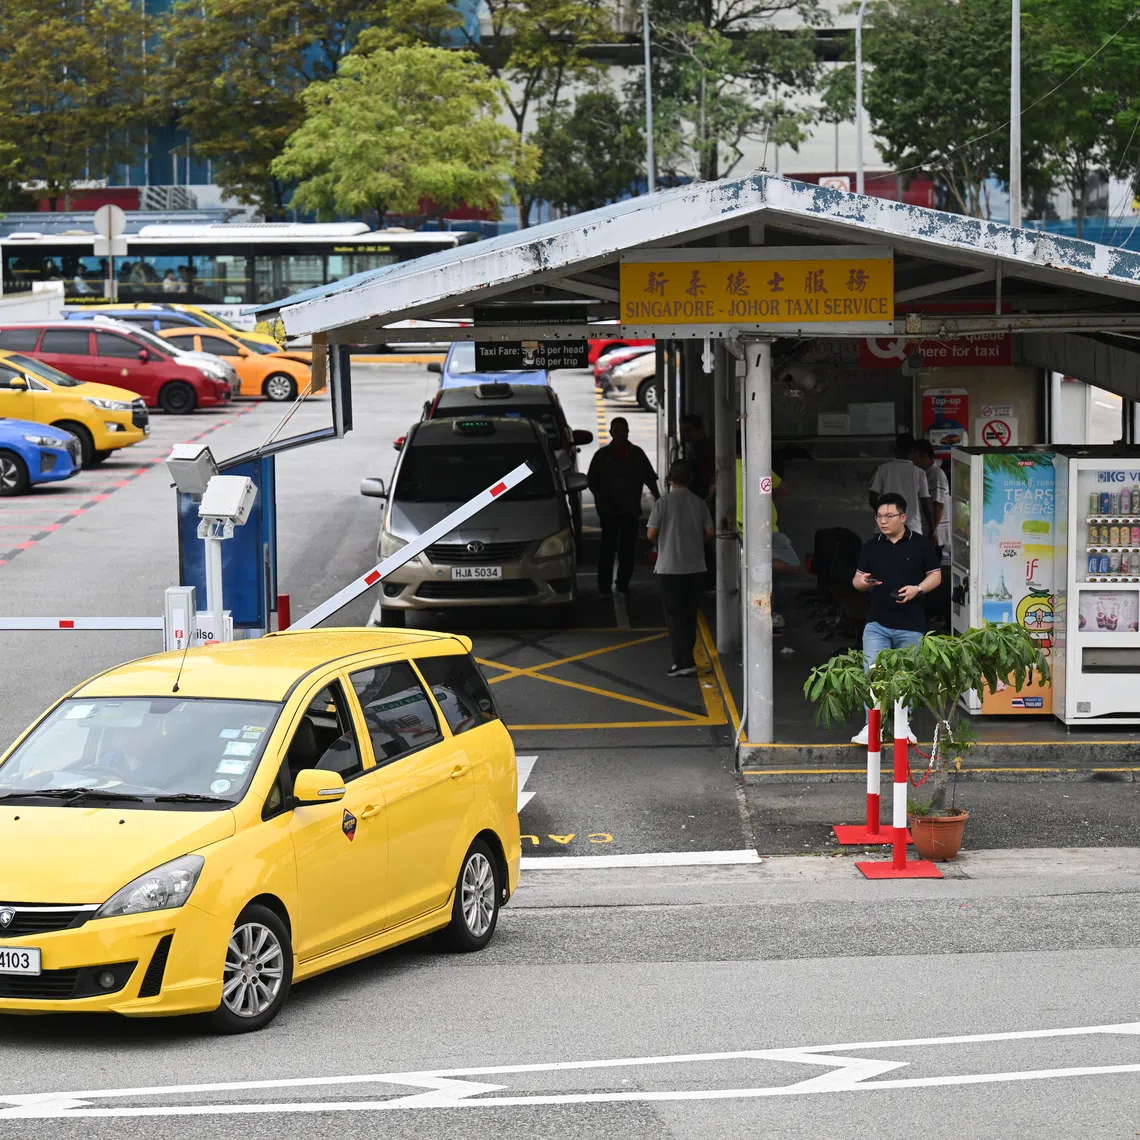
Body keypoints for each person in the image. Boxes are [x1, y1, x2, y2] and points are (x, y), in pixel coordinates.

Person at [850, 491, 941, 744]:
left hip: (911, 626)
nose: (883, 521)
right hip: (877, 623)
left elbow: (936, 576)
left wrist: (917, 589)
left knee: (906, 678)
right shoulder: (871, 546)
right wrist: (864, 582)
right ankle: (872, 727)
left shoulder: (921, 544)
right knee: (874, 675)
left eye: (889, 516)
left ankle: (903, 727)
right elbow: (857, 581)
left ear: (904, 517)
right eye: (879, 516)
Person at [648, 460, 714, 677]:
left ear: (668, 479)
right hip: (695, 567)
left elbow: (651, 533)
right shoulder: (699, 503)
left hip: (669, 568)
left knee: (674, 616)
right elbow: (709, 533)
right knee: (689, 614)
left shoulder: (662, 504)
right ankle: (687, 659)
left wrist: (662, 545)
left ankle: (683, 662)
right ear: (691, 479)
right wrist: (696, 544)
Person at [587, 416, 660, 597]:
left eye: (623, 430)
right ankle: (604, 585)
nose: (620, 433)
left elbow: (649, 477)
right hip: (609, 512)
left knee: (628, 549)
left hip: (630, 510)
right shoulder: (602, 456)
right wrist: (601, 501)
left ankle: (623, 584)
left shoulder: (637, 454)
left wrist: (658, 499)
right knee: (607, 549)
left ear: (628, 432)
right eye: (617, 430)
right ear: (611, 432)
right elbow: (592, 481)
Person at [869, 433, 934, 536]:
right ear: (913, 451)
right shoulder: (919, 473)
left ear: (895, 449)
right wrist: (932, 528)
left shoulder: (883, 469)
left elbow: (872, 497)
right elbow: (926, 502)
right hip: (912, 529)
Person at [911, 439, 950, 558]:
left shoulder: (935, 474)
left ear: (923, 455)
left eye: (915, 456)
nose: (913, 460)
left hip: (934, 533)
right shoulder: (925, 473)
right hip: (928, 530)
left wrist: (933, 531)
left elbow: (938, 505)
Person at [680, 414, 715, 501]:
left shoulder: (703, 448)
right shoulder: (694, 447)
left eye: (688, 430)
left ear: (699, 430)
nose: (683, 434)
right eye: (682, 431)